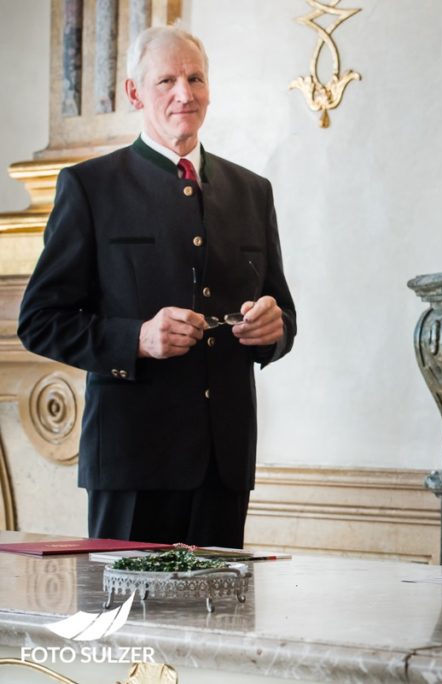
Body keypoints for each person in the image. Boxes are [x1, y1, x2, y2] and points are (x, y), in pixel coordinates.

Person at [18, 26, 296, 548]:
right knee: (127, 627)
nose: (183, 94)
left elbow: (284, 316)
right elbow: (39, 323)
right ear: (134, 93)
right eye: (166, 80)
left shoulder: (252, 192)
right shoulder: (90, 186)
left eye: (195, 79)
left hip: (224, 467)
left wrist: (274, 330)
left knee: (220, 626)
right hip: (131, 464)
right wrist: (137, 339)